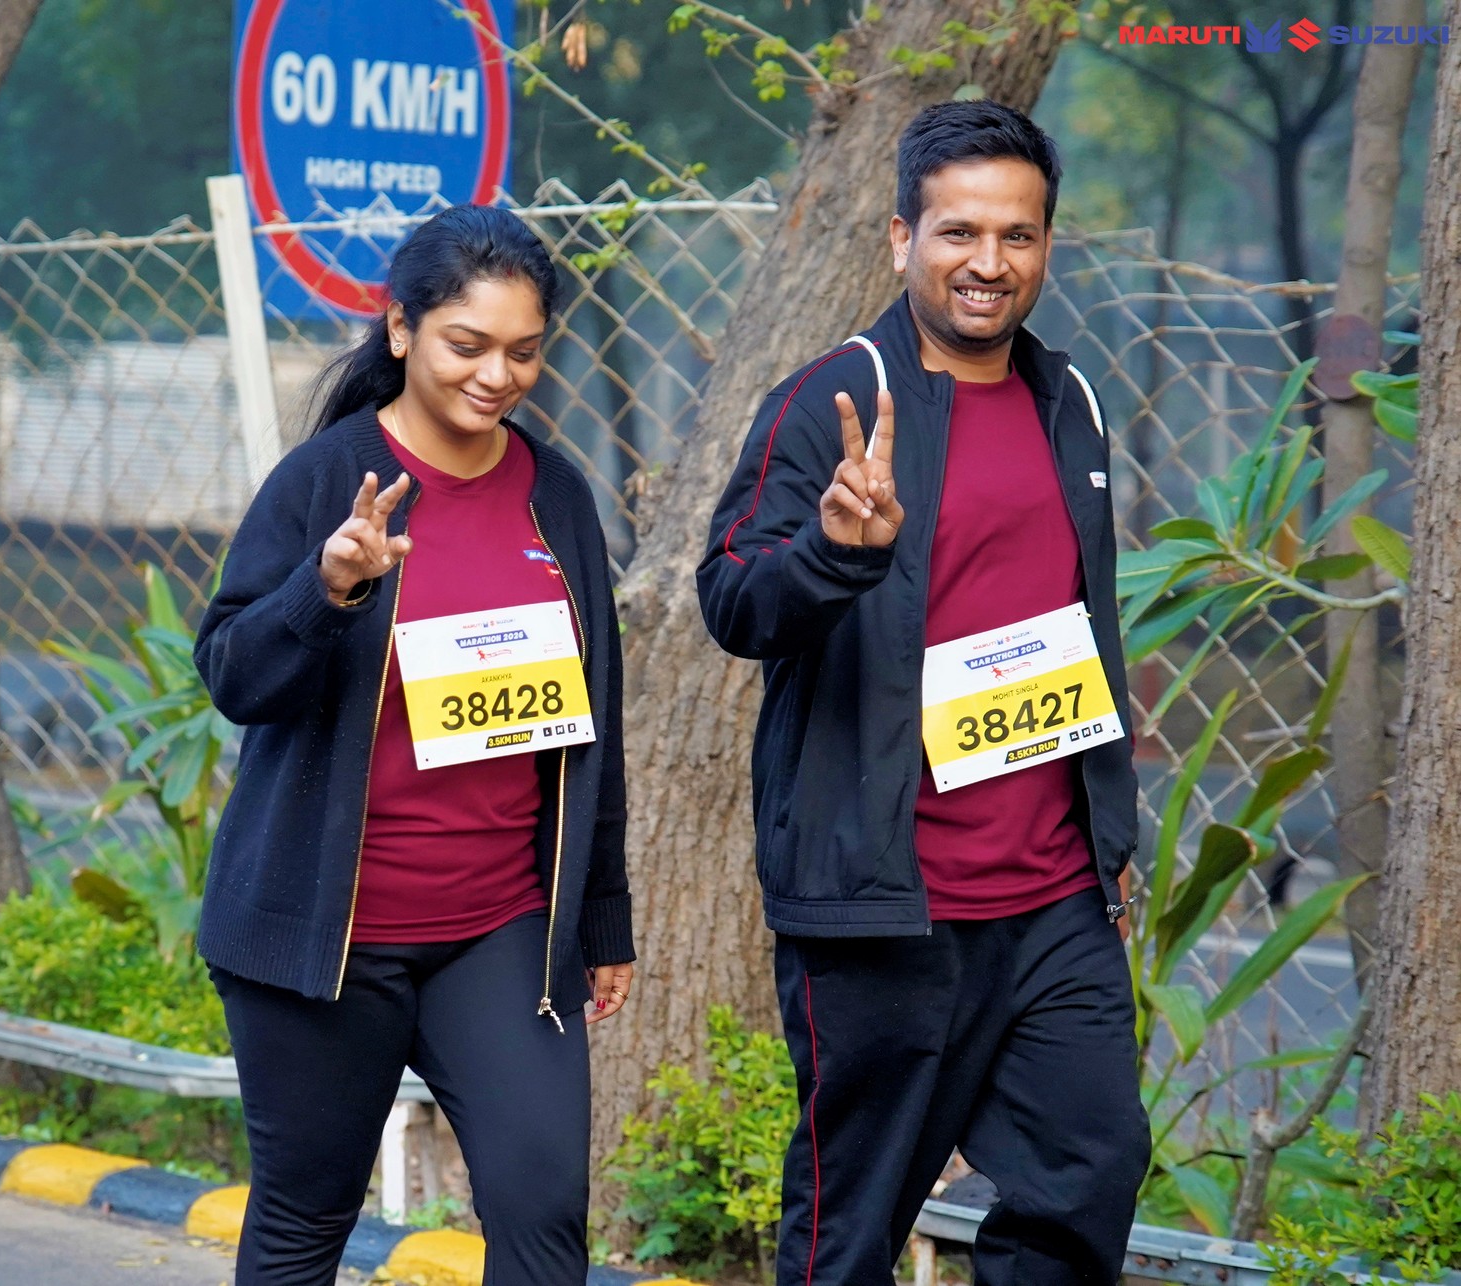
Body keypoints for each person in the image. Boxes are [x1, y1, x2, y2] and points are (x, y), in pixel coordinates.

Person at [697, 100, 1148, 1286]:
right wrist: (832, 553)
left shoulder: (1070, 400)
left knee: (1088, 1177)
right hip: (887, 904)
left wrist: (1108, 834)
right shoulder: (833, 397)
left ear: (1045, 244)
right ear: (902, 237)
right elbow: (732, 601)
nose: (988, 262)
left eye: (1017, 235)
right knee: (849, 1226)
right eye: (958, 232)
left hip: (1054, 898)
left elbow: (1082, 622)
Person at [193, 204, 635, 1286]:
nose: (497, 375)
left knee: (543, 1210)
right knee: (305, 1220)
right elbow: (234, 676)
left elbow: (596, 717)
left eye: (524, 351)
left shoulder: (556, 493)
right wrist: (327, 587)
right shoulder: (325, 481)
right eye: (467, 344)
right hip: (327, 936)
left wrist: (600, 914)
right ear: (400, 329)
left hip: (501, 929)